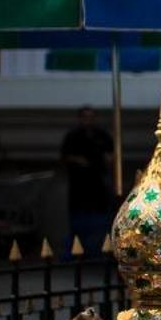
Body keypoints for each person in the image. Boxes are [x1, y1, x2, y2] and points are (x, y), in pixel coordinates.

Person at [60, 107, 117, 254]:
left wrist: (107, 160)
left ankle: (99, 251)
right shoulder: (73, 136)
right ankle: (77, 251)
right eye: (85, 117)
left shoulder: (102, 136)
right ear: (80, 118)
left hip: (99, 186)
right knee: (78, 222)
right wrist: (79, 161)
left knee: (101, 222)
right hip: (79, 186)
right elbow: (66, 156)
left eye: (91, 117)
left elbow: (111, 155)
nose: (88, 120)